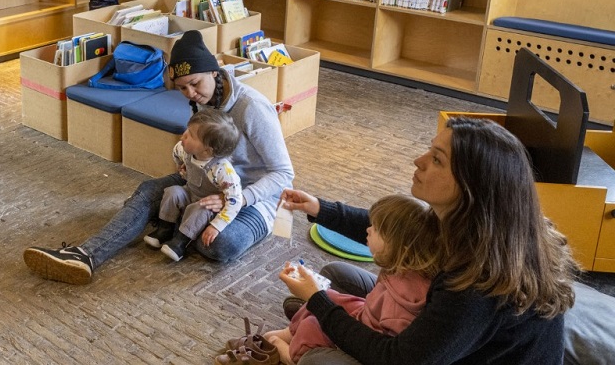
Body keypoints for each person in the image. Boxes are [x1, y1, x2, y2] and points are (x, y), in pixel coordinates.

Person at [275, 116, 577, 365]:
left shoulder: (477, 284)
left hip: (424, 356)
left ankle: (307, 337)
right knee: (334, 274)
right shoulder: (475, 222)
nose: (418, 161)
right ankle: (320, 321)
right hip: (438, 333)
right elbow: (395, 232)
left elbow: (399, 359)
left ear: (470, 186)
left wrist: (319, 303)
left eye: (436, 160)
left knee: (319, 360)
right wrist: (319, 209)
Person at [23, 30, 294, 284]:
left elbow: (283, 174)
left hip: (249, 196)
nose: (191, 93)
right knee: (147, 191)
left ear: (214, 71)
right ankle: (85, 255)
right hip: (205, 180)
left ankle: (171, 223)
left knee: (223, 244)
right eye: (182, 88)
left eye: (195, 83)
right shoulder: (202, 99)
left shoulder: (252, 106)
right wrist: (186, 164)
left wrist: (237, 198)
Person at [262, 195, 439, 364]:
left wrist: (317, 300)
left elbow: (383, 348)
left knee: (312, 325)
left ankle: (291, 357)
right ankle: (290, 331)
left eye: (375, 228)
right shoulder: (405, 264)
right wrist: (318, 207)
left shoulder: (400, 308)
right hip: (369, 314)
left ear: (398, 247)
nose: (368, 229)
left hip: (373, 338)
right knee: (329, 292)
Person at [143, 109, 242, 262]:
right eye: (186, 130)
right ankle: (164, 229)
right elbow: (175, 153)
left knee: (200, 208)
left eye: (190, 135)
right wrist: (181, 166)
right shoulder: (184, 149)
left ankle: (181, 242)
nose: (183, 136)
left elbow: (235, 200)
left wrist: (216, 226)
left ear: (207, 150)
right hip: (190, 192)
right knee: (172, 192)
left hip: (206, 205)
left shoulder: (223, 170)